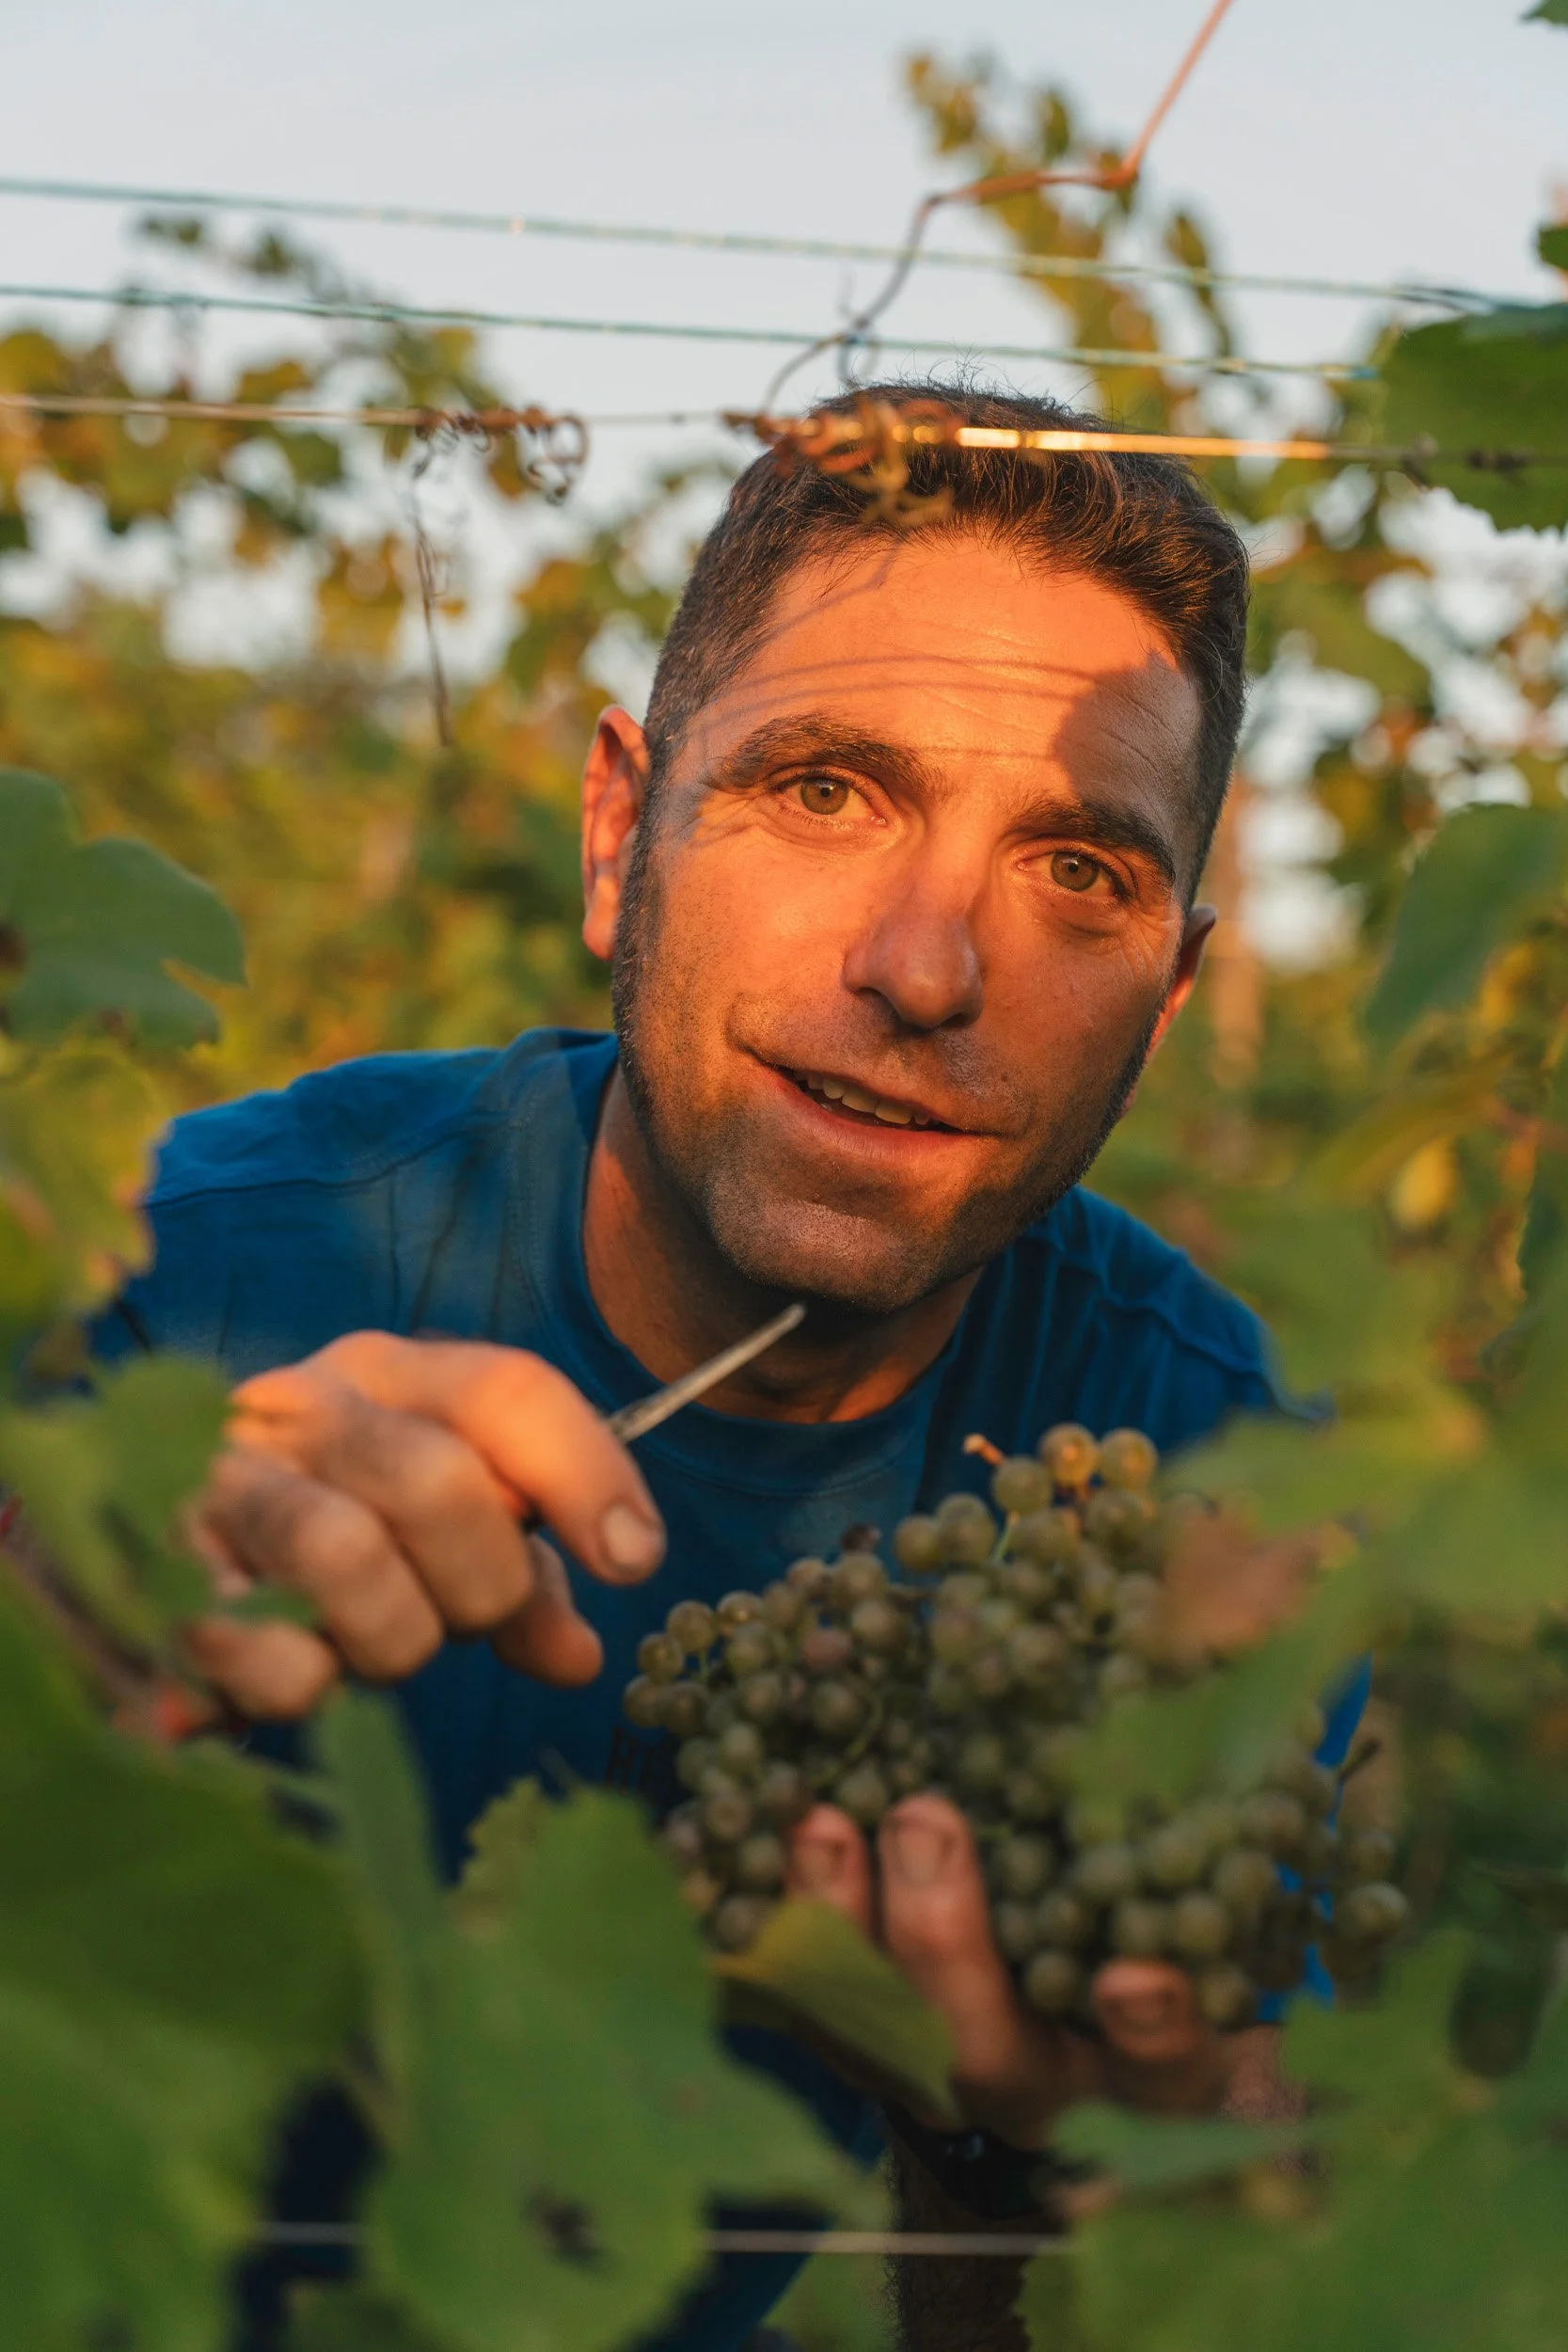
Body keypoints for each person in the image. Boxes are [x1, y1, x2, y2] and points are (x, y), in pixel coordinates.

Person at [100, 381, 1360, 2351]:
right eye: (824, 788)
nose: (926, 967)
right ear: (622, 832)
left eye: (1075, 872)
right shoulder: (172, 1272)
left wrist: (1100, 2136)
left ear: (1170, 993)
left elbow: (1110, 2262)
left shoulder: (1195, 1491)